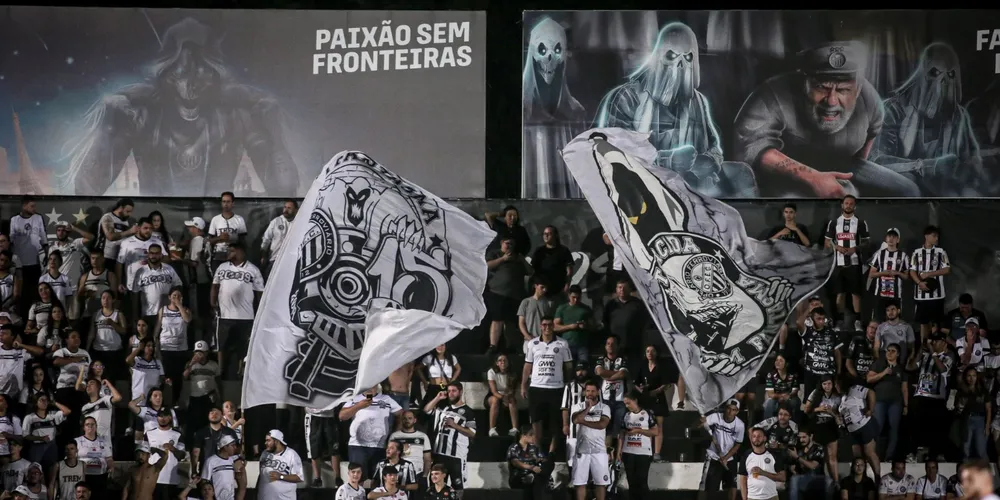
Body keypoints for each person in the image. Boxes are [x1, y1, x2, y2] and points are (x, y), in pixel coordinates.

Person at [732, 42, 919, 198]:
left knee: (908, 190)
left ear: (858, 88)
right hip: (783, 172)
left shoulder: (870, 101)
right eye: (821, 87)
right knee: (794, 201)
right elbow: (749, 147)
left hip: (843, 162)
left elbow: (870, 136)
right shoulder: (771, 94)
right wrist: (813, 178)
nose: (831, 101)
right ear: (804, 83)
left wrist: (845, 178)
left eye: (843, 90)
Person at [210, 241, 263, 380]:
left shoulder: (253, 269)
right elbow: (215, 286)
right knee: (222, 344)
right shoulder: (222, 267)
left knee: (242, 345)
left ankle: (241, 370)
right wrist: (212, 302)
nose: (229, 253)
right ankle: (221, 370)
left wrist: (259, 311)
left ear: (241, 252)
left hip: (245, 315)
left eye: (232, 250)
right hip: (225, 315)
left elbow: (260, 293)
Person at [521, 316, 573, 457]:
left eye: (550, 325)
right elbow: (527, 366)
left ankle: (551, 453)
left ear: (553, 326)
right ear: (540, 326)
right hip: (537, 387)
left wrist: (568, 383)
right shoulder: (532, 344)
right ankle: (538, 452)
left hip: (556, 388)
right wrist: (523, 386)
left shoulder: (562, 344)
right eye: (544, 325)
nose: (547, 328)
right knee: (536, 422)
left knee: (555, 423)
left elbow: (568, 365)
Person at [424, 382, 475, 498]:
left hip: (456, 455)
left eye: (454, 391)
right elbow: (426, 410)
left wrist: (455, 425)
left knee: (458, 486)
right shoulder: (442, 408)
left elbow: (472, 433)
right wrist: (437, 398)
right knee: (435, 485)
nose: (450, 393)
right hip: (439, 453)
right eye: (449, 391)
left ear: (460, 392)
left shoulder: (468, 412)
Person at [341, 386, 403, 481]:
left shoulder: (386, 399)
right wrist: (359, 406)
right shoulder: (355, 398)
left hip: (380, 446)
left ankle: (374, 496)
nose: (370, 388)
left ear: (377, 386)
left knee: (379, 479)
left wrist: (394, 435)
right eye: (368, 385)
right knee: (358, 477)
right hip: (357, 445)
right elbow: (342, 416)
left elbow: (401, 414)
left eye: (373, 386)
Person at [570, 380, 611, 500]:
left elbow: (602, 424)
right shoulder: (577, 406)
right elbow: (575, 419)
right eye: (588, 391)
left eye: (593, 391)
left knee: (600, 483)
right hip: (581, 451)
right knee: (580, 482)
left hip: (599, 451)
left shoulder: (605, 407)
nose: (590, 393)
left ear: (598, 392)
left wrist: (583, 421)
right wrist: (587, 409)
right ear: (584, 392)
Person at [698, 399, 745, 500]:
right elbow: (703, 423)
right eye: (728, 408)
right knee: (705, 487)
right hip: (713, 456)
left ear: (737, 412)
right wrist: (702, 422)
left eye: (733, 410)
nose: (730, 412)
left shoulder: (740, 425)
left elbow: (737, 445)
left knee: (732, 487)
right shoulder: (716, 416)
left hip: (729, 458)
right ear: (725, 408)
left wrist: (725, 457)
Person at [617, 390, 657, 500]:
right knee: (632, 483)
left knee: (642, 482)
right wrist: (619, 451)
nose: (627, 405)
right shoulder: (626, 415)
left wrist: (639, 431)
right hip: (628, 451)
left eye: (628, 403)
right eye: (625, 403)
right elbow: (621, 433)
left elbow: (655, 432)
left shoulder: (647, 413)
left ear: (635, 400)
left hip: (643, 452)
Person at [839, 381, 881, 480]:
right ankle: (862, 479)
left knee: (869, 452)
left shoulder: (854, 389)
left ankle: (878, 478)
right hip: (852, 430)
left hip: (864, 425)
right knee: (857, 457)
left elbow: (870, 392)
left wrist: (870, 409)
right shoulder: (842, 398)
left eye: (837, 383)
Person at [144, 409, 187, 500]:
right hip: (152, 478)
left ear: (170, 417)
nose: (162, 418)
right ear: (157, 417)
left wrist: (173, 449)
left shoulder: (178, 434)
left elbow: (182, 456)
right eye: (160, 415)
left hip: (171, 479)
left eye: (165, 415)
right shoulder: (148, 434)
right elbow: (143, 455)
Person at [737, 427, 786, 500]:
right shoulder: (746, 455)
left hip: (771, 496)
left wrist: (763, 472)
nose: (756, 438)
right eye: (754, 436)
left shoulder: (774, 455)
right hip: (752, 497)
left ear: (765, 438)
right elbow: (743, 480)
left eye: (759, 436)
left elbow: (783, 477)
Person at [207, 191, 248, 275]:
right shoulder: (215, 219)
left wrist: (232, 239)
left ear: (233, 203)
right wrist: (219, 238)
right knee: (218, 281)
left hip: (234, 255)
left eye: (228, 202)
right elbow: (209, 240)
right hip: (218, 255)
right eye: (224, 201)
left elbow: (243, 241)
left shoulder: (239, 219)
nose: (226, 204)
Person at [191, 407, 239, 478]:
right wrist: (194, 471)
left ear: (222, 415)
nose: (214, 415)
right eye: (212, 412)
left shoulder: (229, 432)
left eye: (217, 413)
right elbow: (195, 453)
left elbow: (236, 450)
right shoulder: (201, 433)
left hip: (225, 469)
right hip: (206, 469)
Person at [257, 429, 303, 500]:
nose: (265, 443)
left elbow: (299, 477)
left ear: (276, 441)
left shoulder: (292, 454)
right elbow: (261, 476)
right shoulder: (264, 453)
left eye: (268, 440)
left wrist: (281, 476)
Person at [507, 425, 551, 500]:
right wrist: (531, 467)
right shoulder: (514, 447)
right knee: (537, 481)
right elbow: (515, 463)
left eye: (534, 434)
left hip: (533, 475)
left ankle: (543, 480)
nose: (533, 437)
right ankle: (546, 481)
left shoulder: (534, 448)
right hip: (518, 476)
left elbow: (543, 460)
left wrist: (540, 460)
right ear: (523, 436)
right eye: (531, 435)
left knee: (548, 465)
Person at [75, 417, 113, 497]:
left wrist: (111, 467)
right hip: (84, 477)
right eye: (87, 424)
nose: (90, 426)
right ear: (83, 427)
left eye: (93, 424)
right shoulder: (76, 441)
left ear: (96, 427)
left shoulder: (104, 442)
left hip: (100, 477)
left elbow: (109, 458)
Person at [388, 410, 432, 479]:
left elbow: (427, 458)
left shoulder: (423, 436)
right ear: (402, 420)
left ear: (415, 420)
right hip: (399, 472)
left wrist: (425, 476)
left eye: (410, 418)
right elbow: (390, 455)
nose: (407, 420)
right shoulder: (395, 436)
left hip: (418, 472)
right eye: (404, 418)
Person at [305, 405, 341, 488]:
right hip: (312, 415)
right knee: (314, 448)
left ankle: (337, 478)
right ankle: (317, 478)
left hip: (330, 415)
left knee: (334, 448)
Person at [259, 199, 297, 279]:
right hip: (275, 259)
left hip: (292, 261)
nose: (286, 210)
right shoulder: (276, 221)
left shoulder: (299, 222)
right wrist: (263, 255)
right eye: (285, 207)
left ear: (296, 210)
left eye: (289, 208)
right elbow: (266, 239)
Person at [202, 435, 246, 500]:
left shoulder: (233, 460)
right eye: (232, 445)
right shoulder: (211, 461)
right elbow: (204, 482)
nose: (235, 447)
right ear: (225, 447)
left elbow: (241, 482)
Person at [486, 353, 519, 437]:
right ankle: (492, 429)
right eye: (500, 361)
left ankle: (514, 428)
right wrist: (503, 398)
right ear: (497, 363)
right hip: (494, 395)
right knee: (495, 400)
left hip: (507, 395)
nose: (503, 362)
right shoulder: (491, 371)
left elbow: (512, 390)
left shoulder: (512, 373)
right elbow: (494, 391)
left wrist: (507, 397)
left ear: (508, 362)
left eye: (505, 360)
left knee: (512, 400)